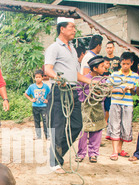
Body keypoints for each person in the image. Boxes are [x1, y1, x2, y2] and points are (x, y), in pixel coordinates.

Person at [44, 17, 92, 173]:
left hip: (73, 91)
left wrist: (92, 82)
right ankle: (54, 162)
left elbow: (76, 74)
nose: (74, 30)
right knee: (58, 127)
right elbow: (48, 69)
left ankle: (56, 155)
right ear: (62, 29)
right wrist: (58, 78)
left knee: (76, 125)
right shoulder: (54, 48)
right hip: (60, 90)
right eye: (72, 27)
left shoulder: (72, 49)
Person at [106, 51, 139, 161]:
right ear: (120, 63)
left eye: (127, 64)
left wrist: (134, 88)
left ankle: (120, 149)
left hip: (128, 104)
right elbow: (107, 88)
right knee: (115, 125)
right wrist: (120, 89)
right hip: (115, 102)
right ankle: (114, 151)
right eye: (123, 63)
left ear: (131, 63)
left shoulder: (135, 76)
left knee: (125, 126)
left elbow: (136, 93)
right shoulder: (114, 75)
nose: (125, 66)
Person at [76, 55, 107, 163]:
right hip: (86, 107)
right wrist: (86, 98)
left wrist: (100, 95)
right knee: (84, 131)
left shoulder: (103, 80)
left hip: (98, 107)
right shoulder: (85, 78)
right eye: (102, 66)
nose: (104, 68)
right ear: (95, 68)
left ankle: (93, 153)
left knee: (97, 130)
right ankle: (81, 153)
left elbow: (105, 93)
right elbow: (79, 91)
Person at [24, 69, 50, 140]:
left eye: (39, 77)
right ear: (34, 78)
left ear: (42, 78)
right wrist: (31, 99)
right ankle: (38, 136)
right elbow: (26, 94)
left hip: (44, 106)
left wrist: (47, 100)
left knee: (45, 121)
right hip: (35, 106)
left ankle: (47, 136)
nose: (38, 79)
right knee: (36, 121)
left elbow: (50, 94)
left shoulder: (46, 86)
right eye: (36, 77)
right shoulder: (32, 87)